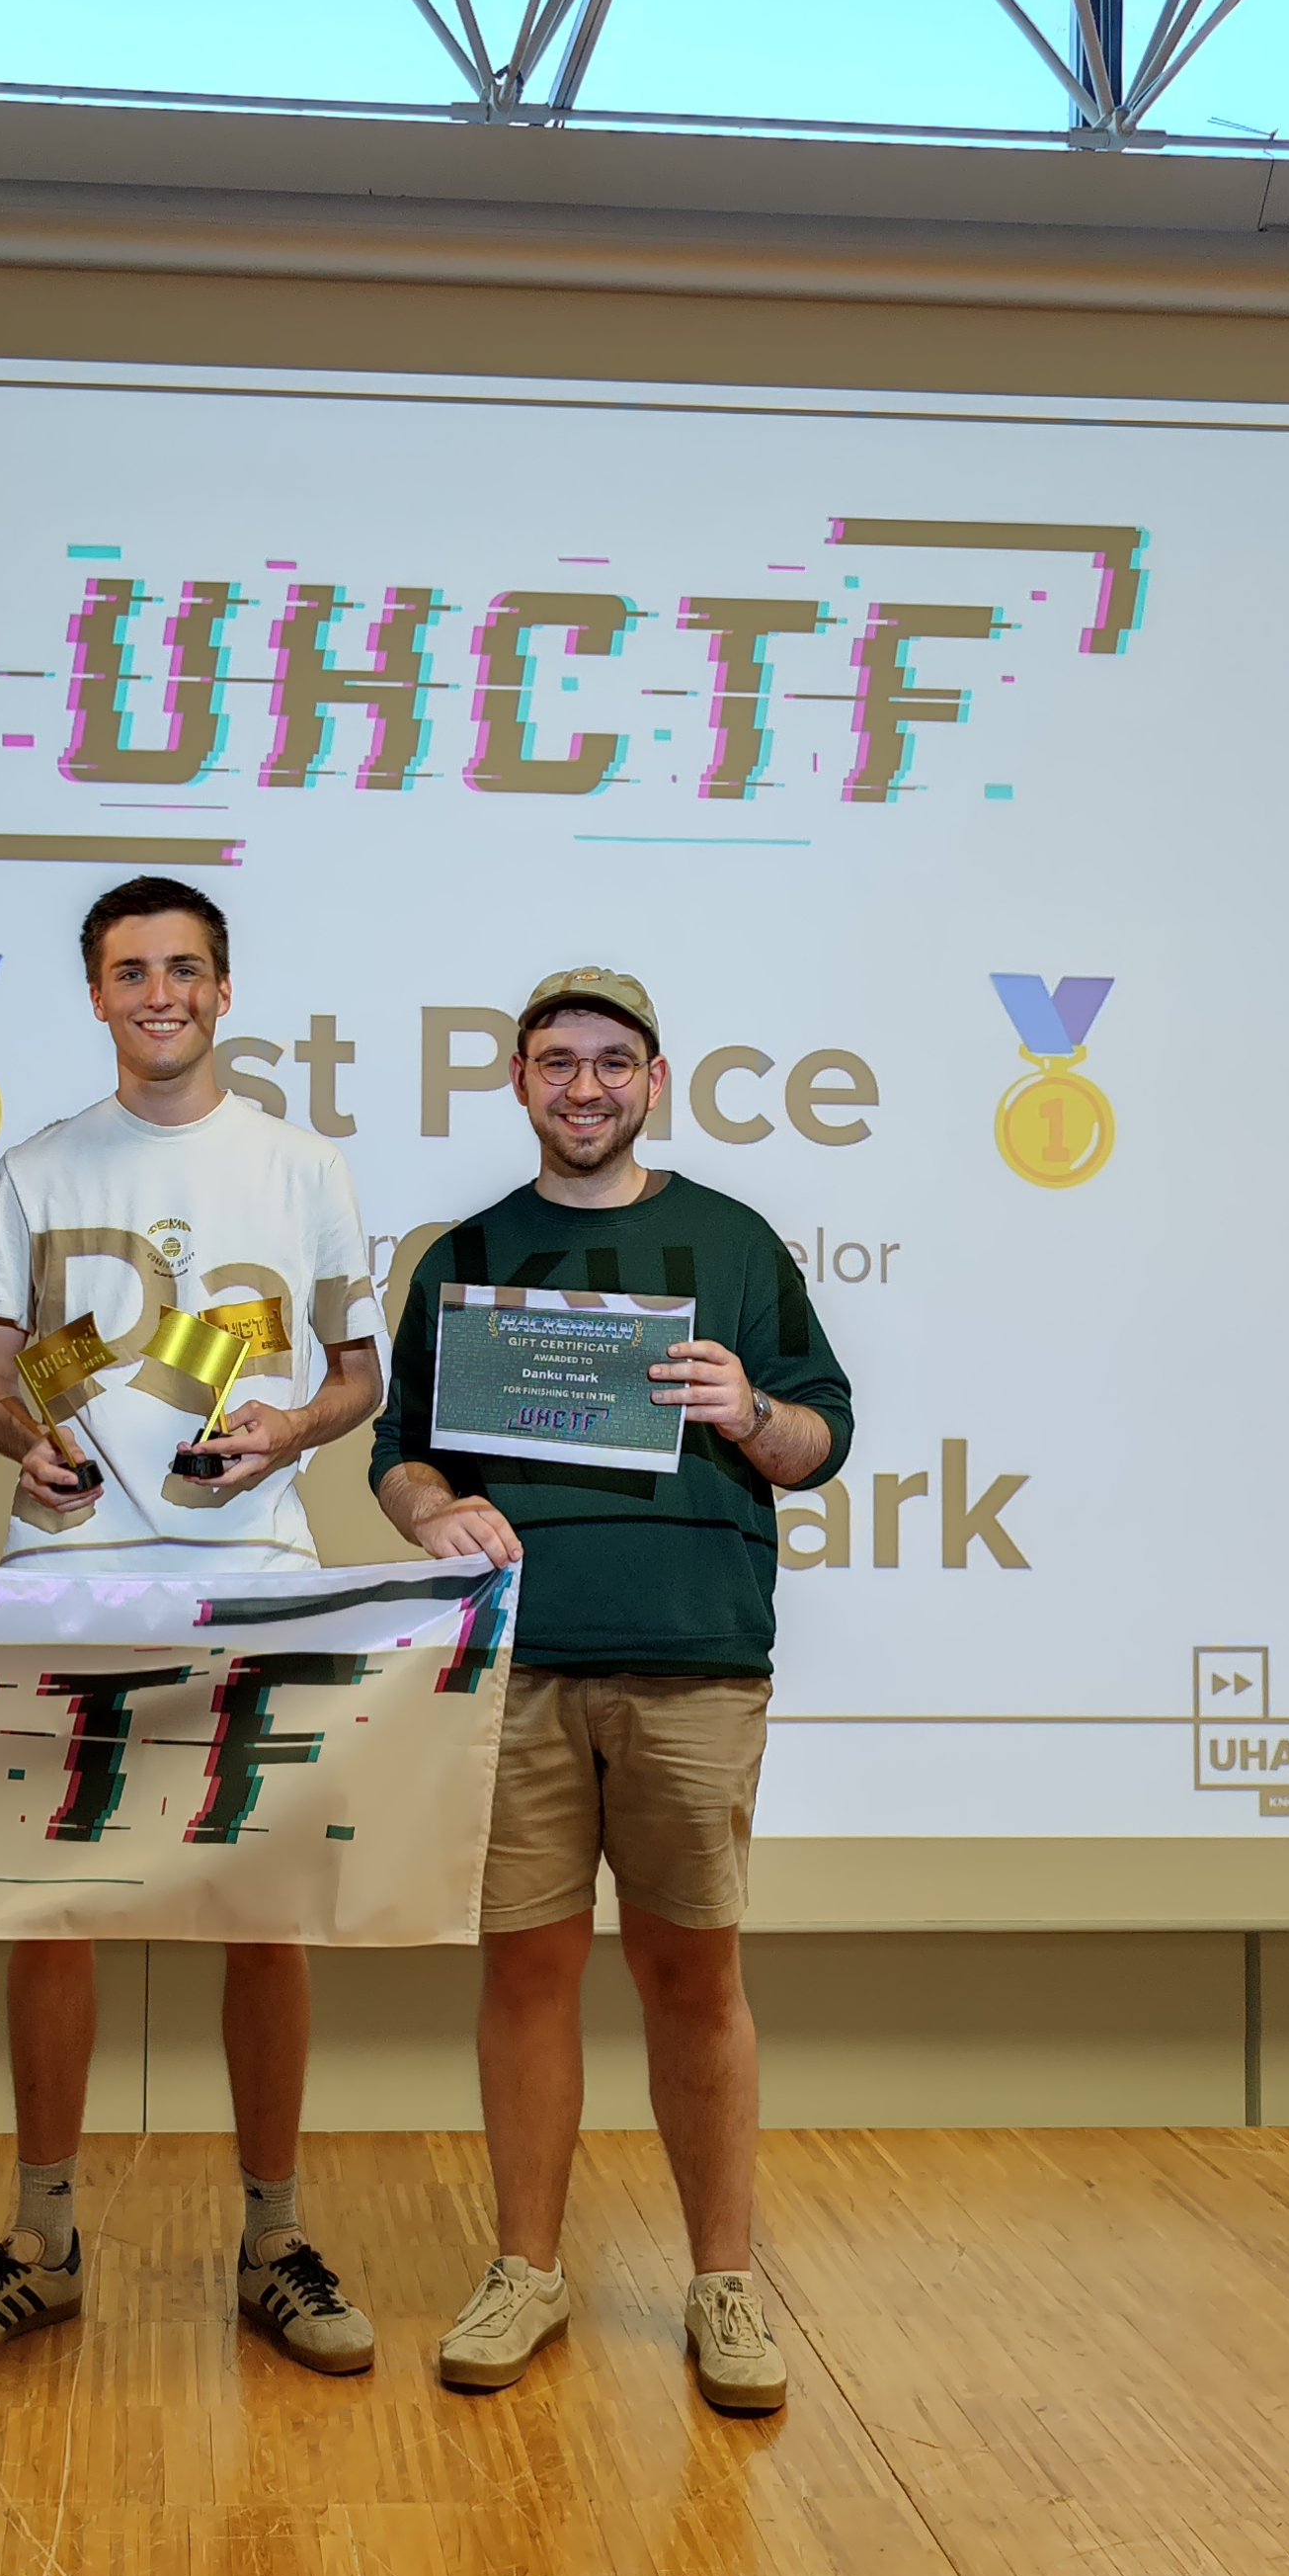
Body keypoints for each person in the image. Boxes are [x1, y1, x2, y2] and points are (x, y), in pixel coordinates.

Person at [0, 875, 385, 2377]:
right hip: (73, 1576)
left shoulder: (304, 1165)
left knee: (260, 1911)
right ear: (98, 996)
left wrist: (290, 1425)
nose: (159, 994)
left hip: (255, 1571)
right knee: (58, 1909)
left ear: (224, 991)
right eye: (131, 972)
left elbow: (357, 1376)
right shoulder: (36, 1169)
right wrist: (22, 1440)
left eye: (184, 969)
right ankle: (43, 2243)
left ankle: (274, 2241)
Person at [370, 966, 852, 2413]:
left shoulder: (735, 1240)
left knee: (695, 1975)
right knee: (526, 1973)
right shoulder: (465, 1256)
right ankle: (528, 2270)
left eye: (612, 1062)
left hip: (695, 1661)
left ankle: (725, 2283)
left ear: (655, 1080)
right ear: (519, 1079)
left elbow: (820, 1441)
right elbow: (400, 1454)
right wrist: (429, 1510)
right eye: (557, 1061)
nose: (585, 1086)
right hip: (516, 1667)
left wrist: (748, 1411)